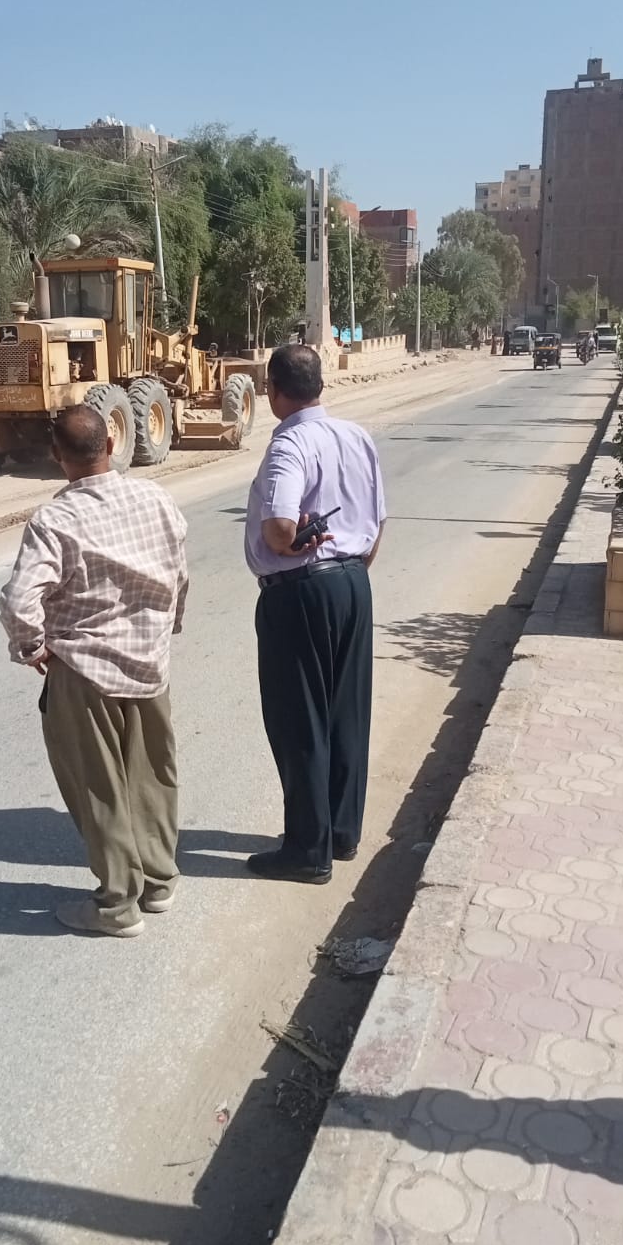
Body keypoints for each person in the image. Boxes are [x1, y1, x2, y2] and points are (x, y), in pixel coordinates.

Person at [0, 404, 188, 938]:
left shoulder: (54, 520)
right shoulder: (156, 498)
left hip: (85, 673)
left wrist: (32, 648)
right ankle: (159, 881)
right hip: (149, 664)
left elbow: (18, 602)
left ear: (57, 456)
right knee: (153, 776)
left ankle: (117, 906)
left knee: (98, 787)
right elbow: (179, 573)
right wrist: (165, 628)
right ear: (109, 444)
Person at [244, 345, 386, 883]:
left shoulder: (289, 444)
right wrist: (349, 571)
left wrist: (288, 544)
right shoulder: (357, 436)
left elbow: (281, 529)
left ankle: (307, 850)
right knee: (347, 712)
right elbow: (378, 521)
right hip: (353, 583)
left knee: (299, 719)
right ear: (320, 385)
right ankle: (341, 832)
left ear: (274, 390)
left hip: (300, 592)